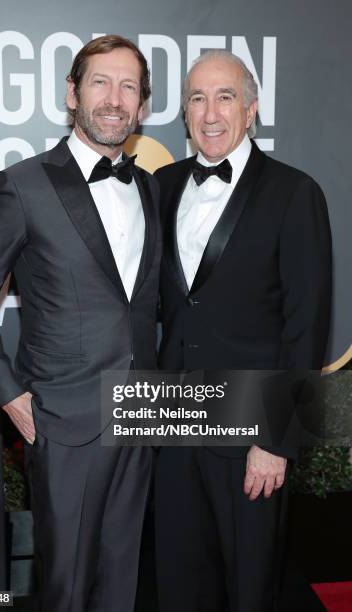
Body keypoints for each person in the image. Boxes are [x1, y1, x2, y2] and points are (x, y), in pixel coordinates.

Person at [0, 35, 161, 612]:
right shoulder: (22, 186)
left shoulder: (147, 188)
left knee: (123, 582)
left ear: (143, 105)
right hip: (63, 421)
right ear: (72, 93)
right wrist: (11, 395)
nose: (115, 99)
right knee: (66, 586)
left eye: (129, 87)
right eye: (101, 82)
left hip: (140, 416)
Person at [154, 49, 331, 611]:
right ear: (184, 113)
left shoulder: (294, 192)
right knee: (179, 585)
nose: (210, 113)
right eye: (197, 99)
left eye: (224, 96)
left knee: (251, 591)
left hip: (252, 434)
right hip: (170, 428)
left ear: (251, 109)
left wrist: (276, 441)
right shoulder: (160, 185)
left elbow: (308, 326)